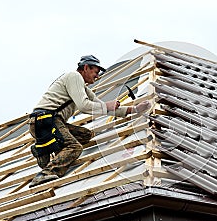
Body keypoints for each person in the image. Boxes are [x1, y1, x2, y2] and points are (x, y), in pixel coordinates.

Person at [28, 55, 151, 187]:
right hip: (45, 120)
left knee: (86, 135)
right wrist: (107, 106)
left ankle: (44, 149)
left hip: (48, 122)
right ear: (86, 67)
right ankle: (45, 173)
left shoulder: (83, 88)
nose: (97, 76)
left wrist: (135, 109)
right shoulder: (74, 77)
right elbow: (84, 106)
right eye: (96, 72)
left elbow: (102, 108)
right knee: (74, 147)